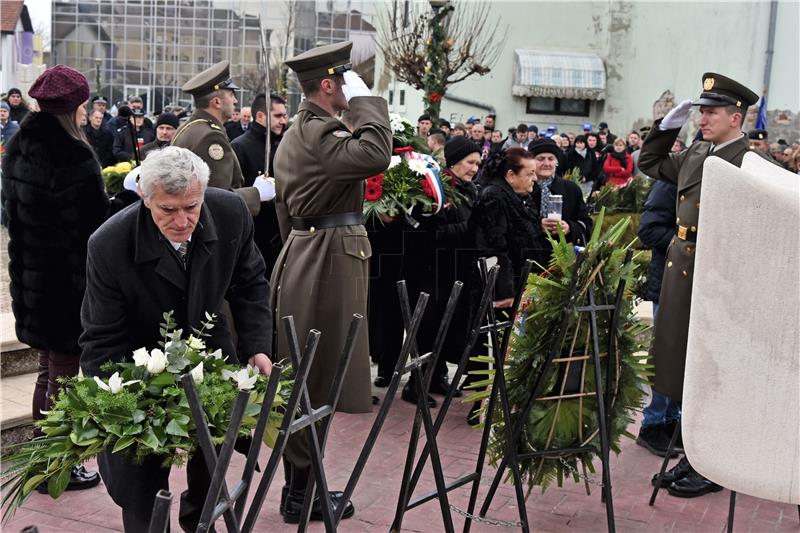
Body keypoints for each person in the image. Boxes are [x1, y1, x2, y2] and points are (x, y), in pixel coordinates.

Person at [80, 146, 272, 532]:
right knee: (141, 475)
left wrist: (257, 346)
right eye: (168, 210)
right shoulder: (108, 245)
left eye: (192, 206)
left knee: (211, 456)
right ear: (144, 198)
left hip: (208, 347)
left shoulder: (231, 213)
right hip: (138, 360)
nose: (183, 220)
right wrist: (119, 403)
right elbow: (102, 336)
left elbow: (250, 284)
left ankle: (201, 520)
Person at [271, 40, 391, 523]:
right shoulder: (321, 131)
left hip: (310, 254)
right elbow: (376, 153)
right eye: (346, 79)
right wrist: (368, 103)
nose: (350, 87)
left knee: (311, 377)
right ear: (328, 84)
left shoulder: (304, 130)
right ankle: (303, 495)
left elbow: (286, 209)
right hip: (324, 262)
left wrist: (299, 247)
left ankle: (301, 488)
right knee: (315, 379)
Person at [638, 72, 772, 498]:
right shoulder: (697, 152)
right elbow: (650, 164)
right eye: (700, 111)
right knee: (681, 365)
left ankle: (710, 464)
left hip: (720, 278)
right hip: (683, 270)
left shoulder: (751, 167)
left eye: (710, 112)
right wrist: (665, 129)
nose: (702, 119)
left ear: (736, 118)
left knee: (713, 372)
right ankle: (691, 454)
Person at [2, 65, 126, 497]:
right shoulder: (73, 156)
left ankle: (42, 458)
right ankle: (56, 464)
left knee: (46, 369)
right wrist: (124, 196)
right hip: (67, 283)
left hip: (32, 279)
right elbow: (93, 226)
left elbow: (13, 214)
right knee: (64, 376)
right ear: (75, 107)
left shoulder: (20, 144)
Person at [466, 147, 550, 422]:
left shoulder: (518, 195)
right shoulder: (494, 197)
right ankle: (482, 407)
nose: (534, 179)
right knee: (493, 348)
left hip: (520, 283)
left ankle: (503, 401)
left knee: (508, 347)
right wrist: (502, 292)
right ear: (510, 175)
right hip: (503, 289)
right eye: (529, 174)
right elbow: (492, 247)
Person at [399, 137, 481, 407]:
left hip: (457, 270)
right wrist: (470, 230)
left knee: (450, 325)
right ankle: (415, 383)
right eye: (470, 162)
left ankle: (437, 376)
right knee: (428, 327)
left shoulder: (468, 189)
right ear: (455, 161)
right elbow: (428, 232)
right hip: (432, 270)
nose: (474, 168)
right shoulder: (434, 187)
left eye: (478, 163)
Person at [171, 60, 273, 217]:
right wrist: (256, 193)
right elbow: (217, 199)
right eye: (231, 94)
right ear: (217, 102)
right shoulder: (211, 137)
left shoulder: (191, 127)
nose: (235, 101)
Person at [636, 179, 681, 457]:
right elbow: (648, 230)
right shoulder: (670, 182)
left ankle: (672, 420)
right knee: (665, 354)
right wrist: (686, 245)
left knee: (682, 357)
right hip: (668, 281)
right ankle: (653, 423)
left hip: (695, 284)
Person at [232, 93, 288, 276]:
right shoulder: (240, 147)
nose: (283, 121)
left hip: (282, 233)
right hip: (255, 238)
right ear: (261, 116)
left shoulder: (284, 145)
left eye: (285, 116)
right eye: (278, 116)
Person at [530, 138, 593, 253]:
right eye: (540, 159)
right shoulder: (523, 188)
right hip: (528, 254)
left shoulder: (571, 189)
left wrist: (569, 228)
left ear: (557, 162)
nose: (546, 163)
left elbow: (586, 224)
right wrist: (537, 225)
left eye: (551, 159)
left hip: (564, 257)